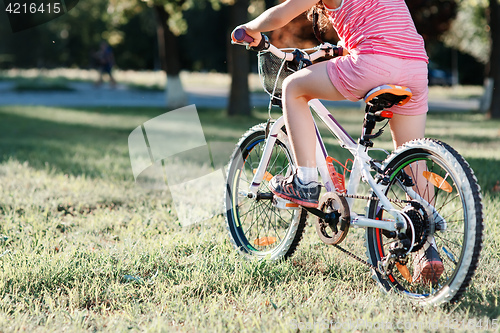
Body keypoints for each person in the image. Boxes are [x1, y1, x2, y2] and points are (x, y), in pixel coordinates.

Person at [235, 0, 443, 283]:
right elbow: (383, 28)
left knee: (293, 88)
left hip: (373, 64)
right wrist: (339, 49)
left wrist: (250, 28)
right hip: (416, 67)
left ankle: (305, 181)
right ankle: (427, 250)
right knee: (412, 162)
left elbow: (282, 14)